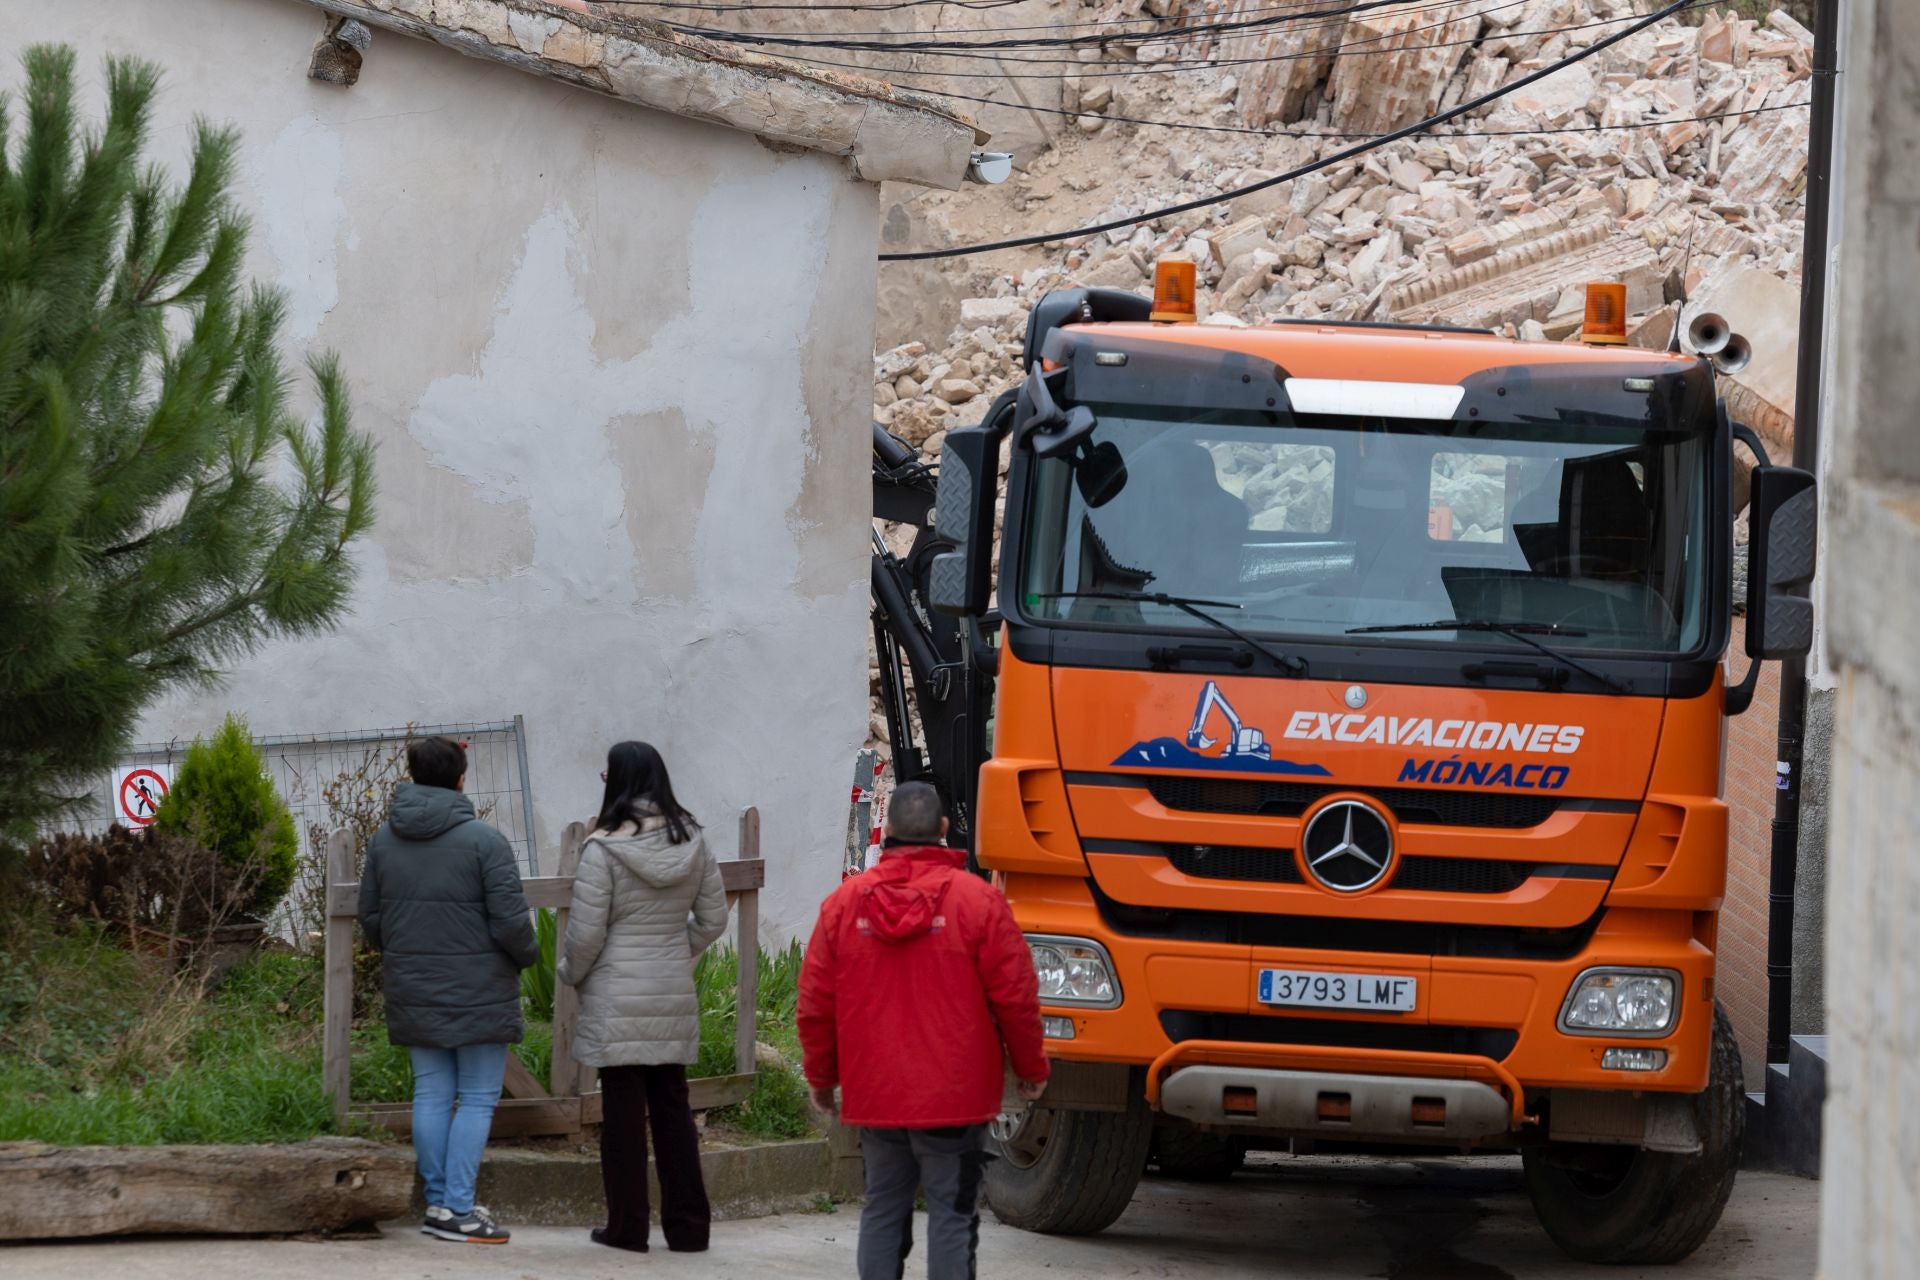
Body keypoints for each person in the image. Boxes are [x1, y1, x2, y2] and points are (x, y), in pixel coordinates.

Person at [797, 782, 1050, 1280]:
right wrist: (1030, 1068)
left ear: (886, 831)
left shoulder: (844, 905)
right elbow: (1016, 997)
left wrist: (822, 1079)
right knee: (953, 1217)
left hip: (878, 1091)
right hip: (955, 1097)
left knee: (883, 1211)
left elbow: (815, 1006)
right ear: (942, 830)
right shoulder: (979, 903)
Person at [358, 735, 537, 1245]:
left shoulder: (384, 841)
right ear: (461, 779)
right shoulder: (485, 841)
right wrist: (528, 956)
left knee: (431, 1092)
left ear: (413, 776)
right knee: (478, 1097)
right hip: (480, 988)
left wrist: (405, 955)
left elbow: (372, 918)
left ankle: (439, 1205)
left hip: (414, 984)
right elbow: (510, 924)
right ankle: (458, 1208)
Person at [558, 741, 728, 1254]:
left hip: (616, 996)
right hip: (670, 989)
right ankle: (690, 1228)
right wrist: (675, 950)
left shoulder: (603, 847)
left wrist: (570, 972)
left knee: (624, 1117)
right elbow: (714, 919)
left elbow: (586, 936)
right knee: (674, 1112)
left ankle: (627, 1228)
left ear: (618, 781)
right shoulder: (693, 840)